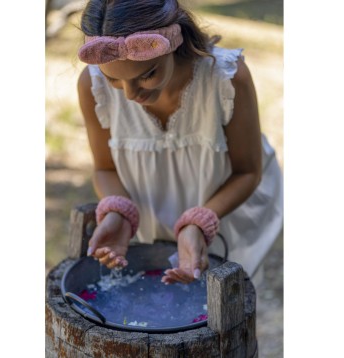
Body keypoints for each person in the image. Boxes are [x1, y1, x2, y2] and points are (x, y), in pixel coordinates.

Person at [76, 0, 283, 285]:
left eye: (147, 74)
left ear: (174, 42)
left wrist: (201, 221)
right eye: (114, 79)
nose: (129, 94)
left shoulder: (226, 80)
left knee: (228, 307)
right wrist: (118, 213)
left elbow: (248, 171)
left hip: (225, 211)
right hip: (148, 211)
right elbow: (105, 169)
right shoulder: (93, 85)